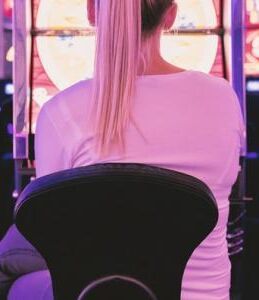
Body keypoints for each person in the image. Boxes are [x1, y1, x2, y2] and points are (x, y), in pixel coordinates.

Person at [0, 0, 245, 299]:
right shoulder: (222, 100)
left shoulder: (58, 112)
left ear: (92, 11)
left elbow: (52, 236)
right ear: (170, 16)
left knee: (14, 272)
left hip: (93, 292)